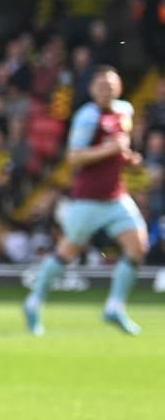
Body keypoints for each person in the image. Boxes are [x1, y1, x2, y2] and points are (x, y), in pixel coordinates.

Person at [24, 66, 146, 336]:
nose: (106, 91)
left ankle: (115, 306)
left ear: (119, 88)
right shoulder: (87, 117)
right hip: (88, 199)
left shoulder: (124, 110)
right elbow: (74, 157)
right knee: (66, 253)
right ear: (92, 90)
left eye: (110, 86)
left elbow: (120, 149)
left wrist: (129, 159)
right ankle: (33, 302)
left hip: (116, 196)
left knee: (138, 246)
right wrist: (109, 149)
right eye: (101, 86)